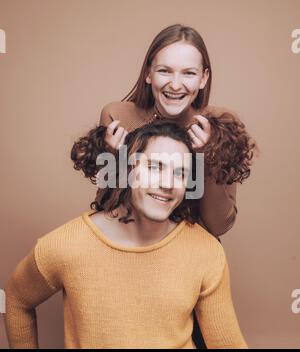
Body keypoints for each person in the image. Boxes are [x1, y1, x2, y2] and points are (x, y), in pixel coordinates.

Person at [4, 121, 247, 349]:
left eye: (180, 173)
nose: (168, 183)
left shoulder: (205, 251)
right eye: (154, 167)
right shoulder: (69, 245)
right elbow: (17, 300)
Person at [72, 23, 256, 240]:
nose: (175, 85)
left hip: (189, 253)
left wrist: (207, 156)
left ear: (203, 78)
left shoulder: (220, 125)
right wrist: (114, 158)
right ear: (148, 73)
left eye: (188, 73)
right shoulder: (117, 116)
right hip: (130, 247)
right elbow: (107, 210)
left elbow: (219, 224)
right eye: (164, 71)